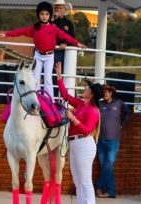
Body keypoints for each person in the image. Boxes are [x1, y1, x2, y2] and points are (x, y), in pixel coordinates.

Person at [0, 1, 86, 100]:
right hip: (38, 56)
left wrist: (78, 44)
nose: (44, 16)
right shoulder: (35, 28)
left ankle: (50, 100)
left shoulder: (53, 28)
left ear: (50, 15)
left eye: (47, 14)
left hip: (49, 56)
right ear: (38, 15)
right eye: (42, 14)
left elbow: (66, 36)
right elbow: (21, 31)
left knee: (48, 79)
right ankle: (37, 98)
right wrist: (7, 34)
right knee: (35, 78)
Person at [55, 62, 103, 204]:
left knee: (85, 181)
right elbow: (65, 95)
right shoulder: (81, 104)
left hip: (84, 144)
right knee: (77, 180)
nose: (85, 89)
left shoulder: (93, 111)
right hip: (75, 143)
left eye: (88, 88)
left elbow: (87, 130)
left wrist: (72, 118)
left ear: (92, 94)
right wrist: (59, 76)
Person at [96, 85, 131, 198]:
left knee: (109, 164)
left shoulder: (119, 103)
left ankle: (98, 185)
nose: (105, 94)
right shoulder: (100, 104)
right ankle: (111, 192)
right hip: (100, 139)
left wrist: (121, 124)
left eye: (107, 92)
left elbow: (128, 113)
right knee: (104, 166)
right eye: (104, 92)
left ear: (111, 93)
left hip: (113, 139)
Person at [52, 0, 75, 98]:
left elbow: (72, 37)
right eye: (57, 8)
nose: (58, 9)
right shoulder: (51, 22)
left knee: (60, 75)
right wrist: (52, 20)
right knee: (50, 76)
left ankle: (60, 98)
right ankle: (52, 97)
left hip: (62, 53)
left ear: (64, 9)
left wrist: (65, 43)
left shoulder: (69, 23)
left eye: (60, 7)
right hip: (51, 51)